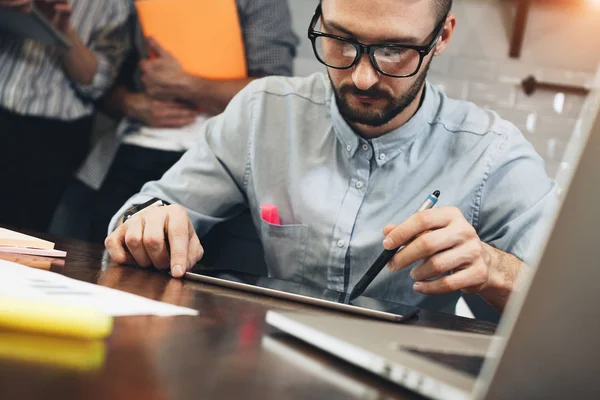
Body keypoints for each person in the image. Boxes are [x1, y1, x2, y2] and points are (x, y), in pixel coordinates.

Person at [104, 0, 556, 313]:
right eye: (340, 39)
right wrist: (151, 224)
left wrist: (494, 267)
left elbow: (569, 313)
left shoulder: (493, 154)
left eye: (394, 50)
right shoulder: (263, 111)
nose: (360, 78)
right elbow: (146, 211)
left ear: (441, 37)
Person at [52, 0, 298, 243]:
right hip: (135, 147)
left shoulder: (263, 4)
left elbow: (273, 95)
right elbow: (101, 83)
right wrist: (130, 103)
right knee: (101, 244)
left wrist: (185, 84)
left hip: (221, 156)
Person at [0, 0, 130, 232]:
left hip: (52, 136)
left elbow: (99, 84)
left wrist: (63, 30)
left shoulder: (117, 4)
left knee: (23, 238)